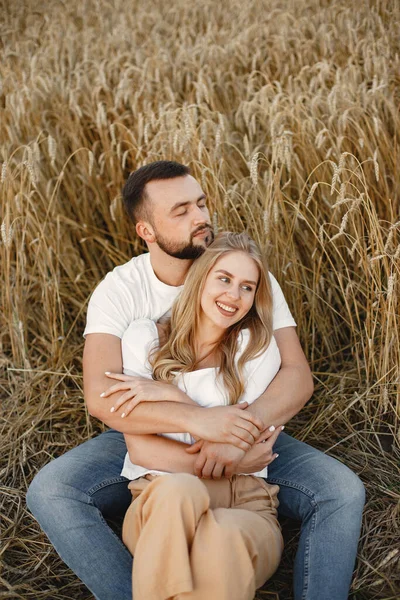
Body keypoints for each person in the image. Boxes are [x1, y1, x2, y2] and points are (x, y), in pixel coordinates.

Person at [26, 161, 365, 600]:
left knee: (341, 490)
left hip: (250, 426)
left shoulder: (244, 274)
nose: (200, 217)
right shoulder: (122, 290)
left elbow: (297, 375)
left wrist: (235, 435)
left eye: (201, 203)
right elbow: (103, 399)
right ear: (146, 230)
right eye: (181, 211)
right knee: (52, 490)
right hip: (146, 426)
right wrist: (202, 421)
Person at [112, 231, 285, 599]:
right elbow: (142, 450)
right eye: (224, 279)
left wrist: (172, 397)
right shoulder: (144, 340)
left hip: (245, 504)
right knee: (178, 488)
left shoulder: (254, 348)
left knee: (220, 538)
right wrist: (230, 456)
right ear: (200, 277)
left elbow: (236, 433)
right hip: (158, 503)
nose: (233, 296)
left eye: (247, 287)